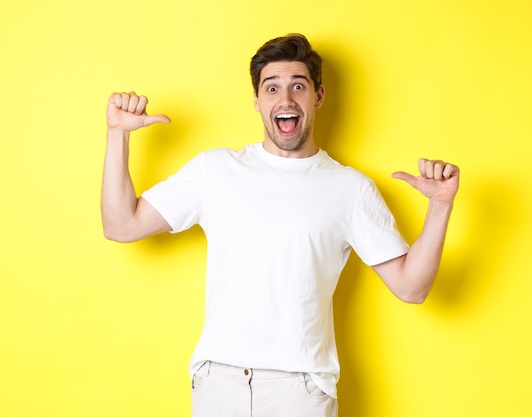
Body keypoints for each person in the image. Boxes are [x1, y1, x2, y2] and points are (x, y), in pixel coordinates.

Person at [101, 33, 459, 417]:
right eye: (272, 88)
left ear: (317, 97)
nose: (285, 100)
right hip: (218, 384)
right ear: (257, 101)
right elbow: (121, 225)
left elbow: (412, 287)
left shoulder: (349, 189)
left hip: (300, 390)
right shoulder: (216, 170)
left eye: (298, 86)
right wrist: (118, 134)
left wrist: (440, 206)